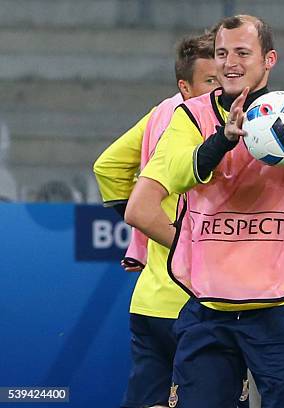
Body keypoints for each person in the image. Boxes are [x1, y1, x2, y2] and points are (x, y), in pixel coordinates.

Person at [127, 15, 284, 408]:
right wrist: (222, 140)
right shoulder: (192, 116)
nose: (229, 62)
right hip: (208, 307)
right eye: (221, 53)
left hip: (279, 308)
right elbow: (174, 174)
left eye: (241, 52)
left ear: (269, 59)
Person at [93, 32, 223, 408]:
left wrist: (145, 234)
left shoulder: (160, 112)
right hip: (195, 298)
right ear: (185, 86)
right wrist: (175, 238)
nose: (220, 87)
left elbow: (108, 168)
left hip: (151, 300)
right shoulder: (209, 126)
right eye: (209, 81)